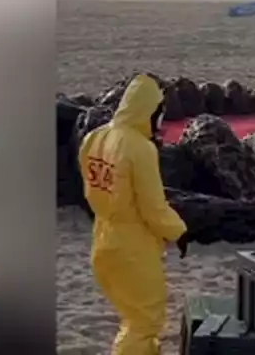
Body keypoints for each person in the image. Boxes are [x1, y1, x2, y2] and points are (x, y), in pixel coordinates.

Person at [79, 74, 189, 355]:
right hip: (132, 247)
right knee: (144, 323)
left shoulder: (95, 136)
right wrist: (179, 231)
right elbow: (153, 208)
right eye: (160, 113)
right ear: (149, 111)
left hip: (103, 238)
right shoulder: (140, 148)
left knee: (134, 319)